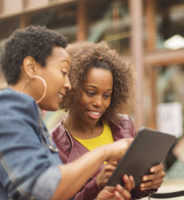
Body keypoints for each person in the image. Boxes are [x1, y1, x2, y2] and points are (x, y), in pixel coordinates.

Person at [0, 25, 135, 200]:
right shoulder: (7, 111)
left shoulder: (30, 119)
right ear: (31, 67)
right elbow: (39, 190)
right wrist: (105, 152)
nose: (68, 85)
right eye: (64, 72)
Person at [51, 41, 165, 200]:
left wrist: (150, 181)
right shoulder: (54, 144)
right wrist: (97, 184)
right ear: (71, 87)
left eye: (106, 96)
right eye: (91, 93)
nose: (99, 103)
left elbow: (133, 191)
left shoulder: (123, 126)